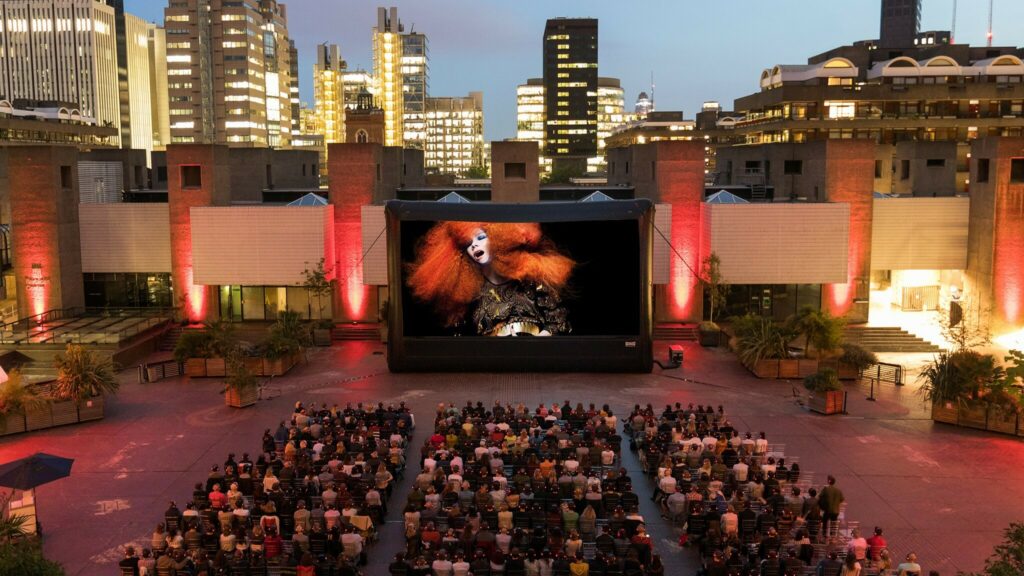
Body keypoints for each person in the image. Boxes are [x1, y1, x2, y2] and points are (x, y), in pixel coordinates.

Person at [406, 221, 575, 336]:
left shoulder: (531, 280)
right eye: (467, 244)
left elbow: (559, 323)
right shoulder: (471, 297)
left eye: (480, 237)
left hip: (537, 368)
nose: (474, 246)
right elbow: (461, 343)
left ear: (499, 238)